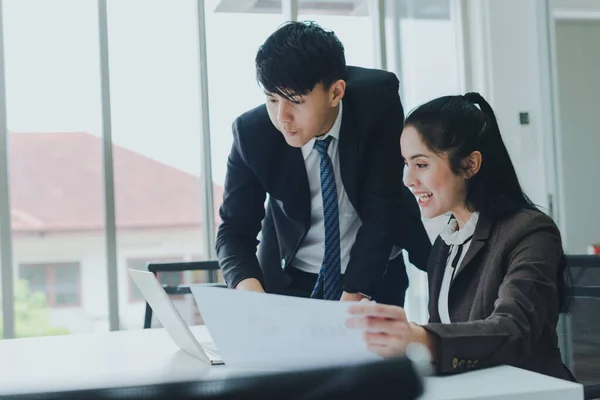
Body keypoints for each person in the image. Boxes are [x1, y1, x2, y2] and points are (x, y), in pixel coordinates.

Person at [346, 92, 575, 380]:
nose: (408, 180)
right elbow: (448, 343)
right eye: (406, 164)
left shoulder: (531, 232)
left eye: (422, 164)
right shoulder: (447, 242)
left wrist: (420, 337)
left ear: (470, 165)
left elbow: (513, 331)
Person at [216, 21, 431, 305]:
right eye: (271, 99)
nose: (282, 117)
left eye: (295, 101)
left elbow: (383, 206)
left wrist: (352, 299)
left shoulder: (377, 101)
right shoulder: (252, 133)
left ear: (335, 93)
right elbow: (234, 231)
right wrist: (253, 298)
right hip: (293, 276)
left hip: (375, 274)